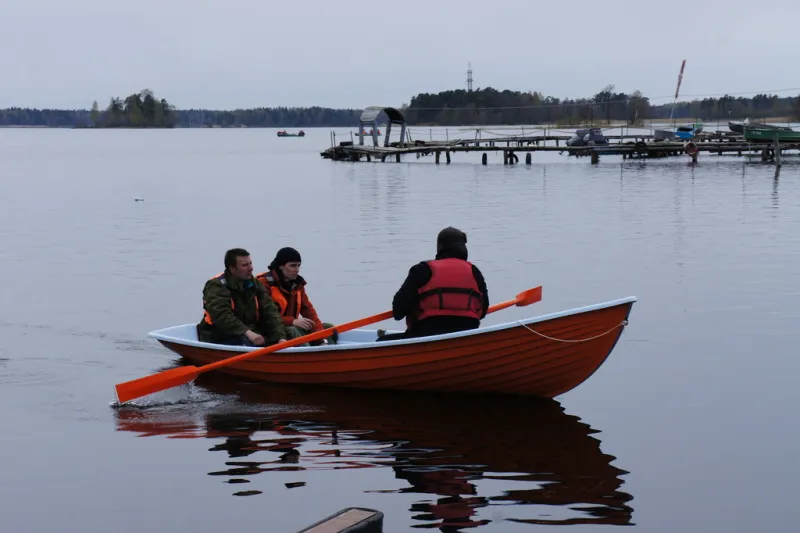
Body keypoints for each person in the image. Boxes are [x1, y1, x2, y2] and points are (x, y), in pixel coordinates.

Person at [377, 227, 489, 342]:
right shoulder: (475, 272)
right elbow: (483, 311)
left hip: (427, 335)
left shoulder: (422, 270)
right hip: (467, 334)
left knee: (381, 342)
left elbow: (398, 311)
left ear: (439, 247)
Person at [196, 248, 287, 346]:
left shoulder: (254, 283)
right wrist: (248, 333)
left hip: (248, 330)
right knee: (244, 342)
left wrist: (280, 338)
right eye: (245, 265)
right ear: (232, 269)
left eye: (250, 263)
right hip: (217, 334)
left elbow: (270, 312)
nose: (251, 268)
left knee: (289, 332)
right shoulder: (216, 286)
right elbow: (223, 317)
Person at [256, 247, 334, 346]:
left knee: (328, 328)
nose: (297, 270)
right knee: (293, 331)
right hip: (270, 331)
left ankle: (328, 354)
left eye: (298, 265)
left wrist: (321, 337)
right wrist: (292, 321)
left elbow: (309, 311)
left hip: (291, 326)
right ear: (281, 266)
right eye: (292, 266)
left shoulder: (297, 285)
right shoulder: (264, 284)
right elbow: (263, 316)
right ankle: (307, 357)